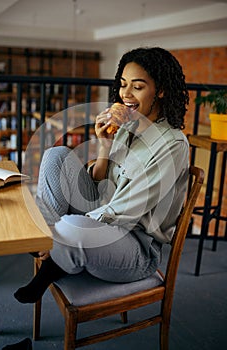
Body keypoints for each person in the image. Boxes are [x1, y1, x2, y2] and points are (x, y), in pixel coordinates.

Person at [14, 47, 190, 304]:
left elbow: (126, 210)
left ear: (160, 90)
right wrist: (104, 144)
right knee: (57, 155)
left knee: (73, 228)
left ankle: (53, 255)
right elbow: (98, 184)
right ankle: (52, 241)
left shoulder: (172, 145)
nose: (126, 94)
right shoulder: (125, 127)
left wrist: (66, 228)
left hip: (135, 247)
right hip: (103, 217)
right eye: (123, 84)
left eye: (137, 87)